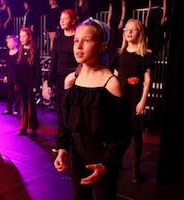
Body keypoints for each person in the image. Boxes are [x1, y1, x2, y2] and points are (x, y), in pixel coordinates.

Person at [54, 18, 130, 200]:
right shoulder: (71, 80)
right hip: (77, 155)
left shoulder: (111, 84)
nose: (78, 46)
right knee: (80, 196)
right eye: (76, 41)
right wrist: (63, 148)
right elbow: (65, 121)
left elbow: (123, 132)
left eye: (86, 40)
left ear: (102, 47)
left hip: (102, 157)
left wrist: (106, 164)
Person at [110, 18, 154, 184]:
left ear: (139, 33)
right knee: (119, 132)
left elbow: (148, 80)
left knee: (136, 134)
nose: (128, 32)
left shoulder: (145, 55)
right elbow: (114, 76)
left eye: (132, 30)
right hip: (120, 99)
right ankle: (118, 161)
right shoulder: (120, 54)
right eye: (126, 29)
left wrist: (143, 101)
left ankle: (136, 169)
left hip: (135, 99)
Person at [47, 9, 78, 152]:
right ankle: (61, 143)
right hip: (60, 81)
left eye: (65, 18)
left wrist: (77, 75)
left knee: (73, 111)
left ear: (72, 20)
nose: (62, 21)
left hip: (75, 80)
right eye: (61, 19)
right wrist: (49, 82)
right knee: (61, 111)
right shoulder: (58, 39)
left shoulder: (77, 38)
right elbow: (54, 61)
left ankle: (75, 142)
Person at [15, 27, 40, 137]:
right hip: (22, 82)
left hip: (30, 82)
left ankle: (33, 127)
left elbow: (37, 69)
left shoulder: (34, 50)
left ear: (29, 37)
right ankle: (23, 127)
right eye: (20, 36)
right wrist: (16, 82)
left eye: (24, 36)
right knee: (23, 104)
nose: (21, 39)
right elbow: (18, 68)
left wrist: (36, 84)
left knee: (31, 105)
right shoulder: (20, 50)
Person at [2, 35, 21, 116]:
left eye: (11, 42)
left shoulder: (19, 53)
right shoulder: (7, 53)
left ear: (16, 43)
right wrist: (6, 76)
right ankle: (8, 108)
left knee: (17, 93)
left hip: (17, 75)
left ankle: (16, 109)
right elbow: (7, 66)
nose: (9, 44)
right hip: (9, 74)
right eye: (8, 42)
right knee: (9, 92)